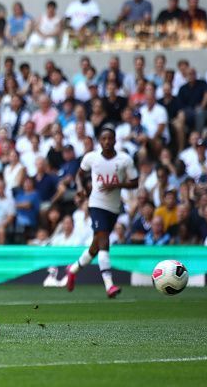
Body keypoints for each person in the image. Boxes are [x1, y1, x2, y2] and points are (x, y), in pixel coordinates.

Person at [66, 125, 138, 298]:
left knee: (96, 245)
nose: (107, 142)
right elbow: (79, 175)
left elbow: (135, 182)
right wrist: (81, 188)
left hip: (114, 208)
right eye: (103, 139)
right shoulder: (91, 158)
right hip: (96, 204)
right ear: (99, 141)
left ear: (115, 140)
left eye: (110, 138)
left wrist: (116, 185)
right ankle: (109, 285)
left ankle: (73, 269)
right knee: (104, 242)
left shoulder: (124, 160)